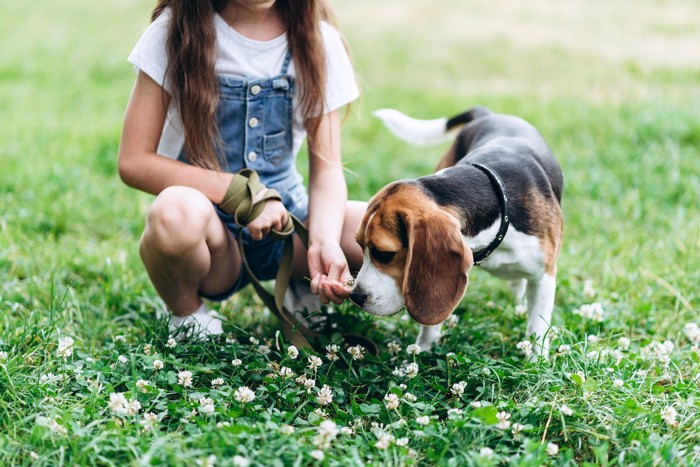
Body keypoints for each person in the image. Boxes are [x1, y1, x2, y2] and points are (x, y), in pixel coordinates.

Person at [118, 0, 363, 336]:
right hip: (214, 238)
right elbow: (134, 161)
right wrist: (239, 195)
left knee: (376, 227)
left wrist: (323, 241)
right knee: (173, 211)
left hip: (288, 226)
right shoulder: (172, 32)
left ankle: (303, 283)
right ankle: (188, 314)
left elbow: (327, 171)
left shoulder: (320, 41)